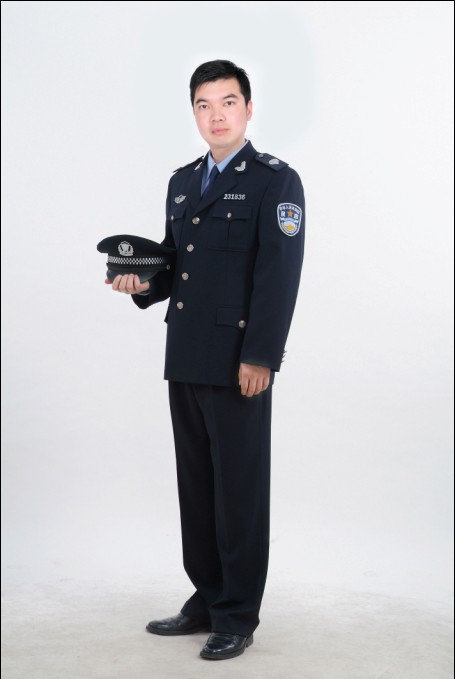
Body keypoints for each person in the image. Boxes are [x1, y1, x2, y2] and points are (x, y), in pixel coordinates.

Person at [108, 59, 305, 661]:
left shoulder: (275, 181)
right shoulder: (183, 181)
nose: (216, 115)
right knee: (196, 487)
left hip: (239, 361)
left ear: (248, 108)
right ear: (193, 112)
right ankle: (208, 596)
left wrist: (261, 356)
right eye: (204, 104)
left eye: (228, 102)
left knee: (238, 491)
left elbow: (278, 274)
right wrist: (143, 283)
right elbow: (178, 264)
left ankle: (237, 613)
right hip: (186, 353)